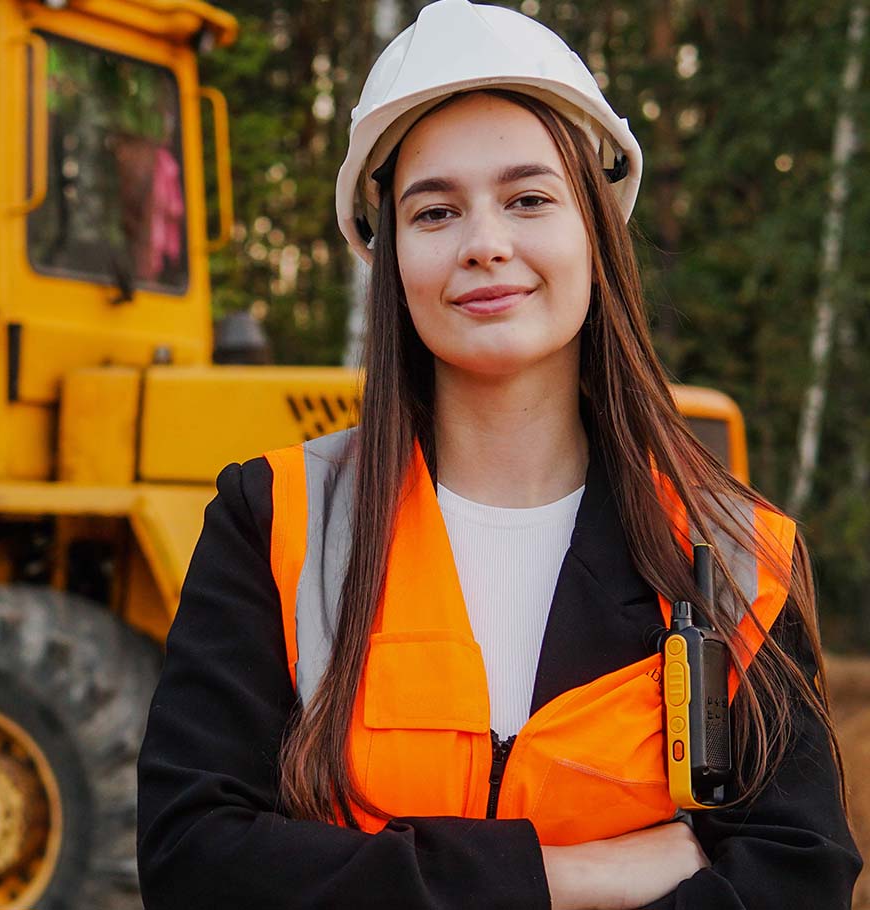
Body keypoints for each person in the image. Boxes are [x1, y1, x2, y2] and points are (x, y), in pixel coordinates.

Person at [136, 1, 862, 907]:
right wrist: (566, 877)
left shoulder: (737, 556)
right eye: (435, 211)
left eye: (528, 199)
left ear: (595, 233)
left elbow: (798, 875)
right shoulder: (275, 525)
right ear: (390, 254)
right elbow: (195, 866)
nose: (485, 245)